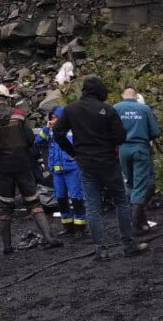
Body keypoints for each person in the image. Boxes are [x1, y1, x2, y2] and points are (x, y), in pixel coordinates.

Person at [54, 77, 148, 260]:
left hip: (85, 163)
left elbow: (57, 132)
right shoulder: (108, 110)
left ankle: (100, 250)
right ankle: (128, 244)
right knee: (120, 201)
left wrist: (72, 151)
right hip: (108, 161)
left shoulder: (71, 109)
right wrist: (108, 145)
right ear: (99, 91)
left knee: (92, 206)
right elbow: (120, 137)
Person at [0, 85, 62, 255]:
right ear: (8, 98)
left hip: (3, 167)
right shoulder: (18, 115)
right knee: (33, 201)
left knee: (4, 205)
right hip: (22, 164)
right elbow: (30, 138)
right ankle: (49, 237)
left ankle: (7, 247)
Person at [113, 88, 161, 233]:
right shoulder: (144, 109)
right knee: (141, 183)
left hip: (123, 149)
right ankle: (135, 223)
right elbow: (155, 131)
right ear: (136, 96)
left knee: (131, 182)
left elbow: (109, 130)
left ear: (122, 95)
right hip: (140, 148)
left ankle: (141, 221)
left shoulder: (116, 108)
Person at [34, 106, 86, 236]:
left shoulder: (73, 130)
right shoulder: (50, 132)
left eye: (55, 117)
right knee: (61, 199)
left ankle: (80, 227)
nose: (53, 120)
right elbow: (38, 142)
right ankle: (68, 227)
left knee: (76, 198)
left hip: (72, 169)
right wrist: (46, 128)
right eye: (51, 118)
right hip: (57, 172)